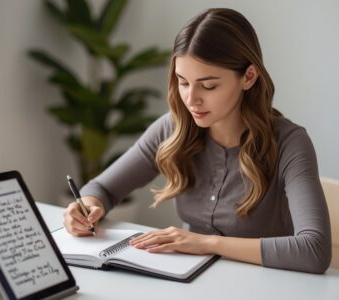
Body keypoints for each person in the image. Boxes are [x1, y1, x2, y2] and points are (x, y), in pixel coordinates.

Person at [63, 8, 331, 274]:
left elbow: (314, 250)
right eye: (183, 82)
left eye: (209, 85)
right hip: (190, 282)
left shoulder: (290, 143)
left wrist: (206, 243)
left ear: (248, 77)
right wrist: (87, 206)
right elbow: (103, 189)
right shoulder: (173, 127)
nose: (191, 100)